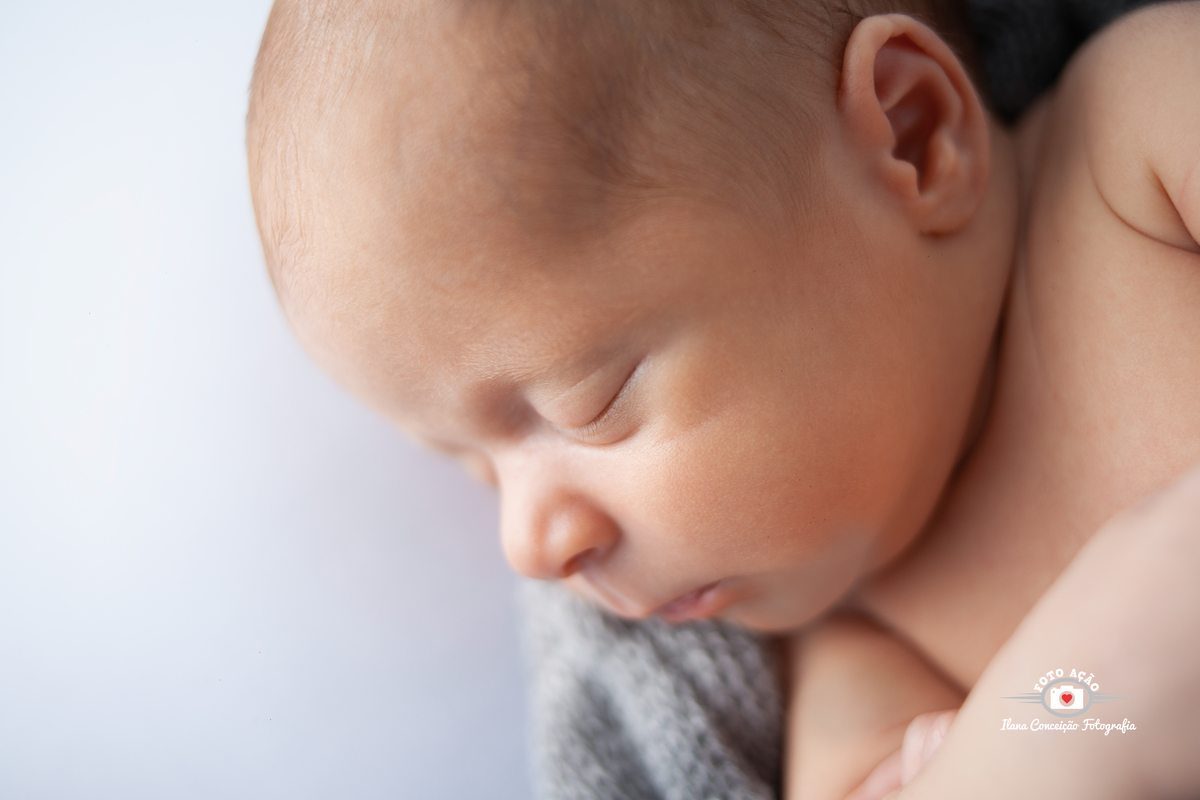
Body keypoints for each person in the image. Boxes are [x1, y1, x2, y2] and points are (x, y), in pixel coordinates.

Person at [245, 0, 1200, 796]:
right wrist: (1080, 692)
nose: (531, 548)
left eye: (588, 402)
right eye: (477, 474)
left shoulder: (1134, 147)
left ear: (912, 135)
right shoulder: (859, 647)